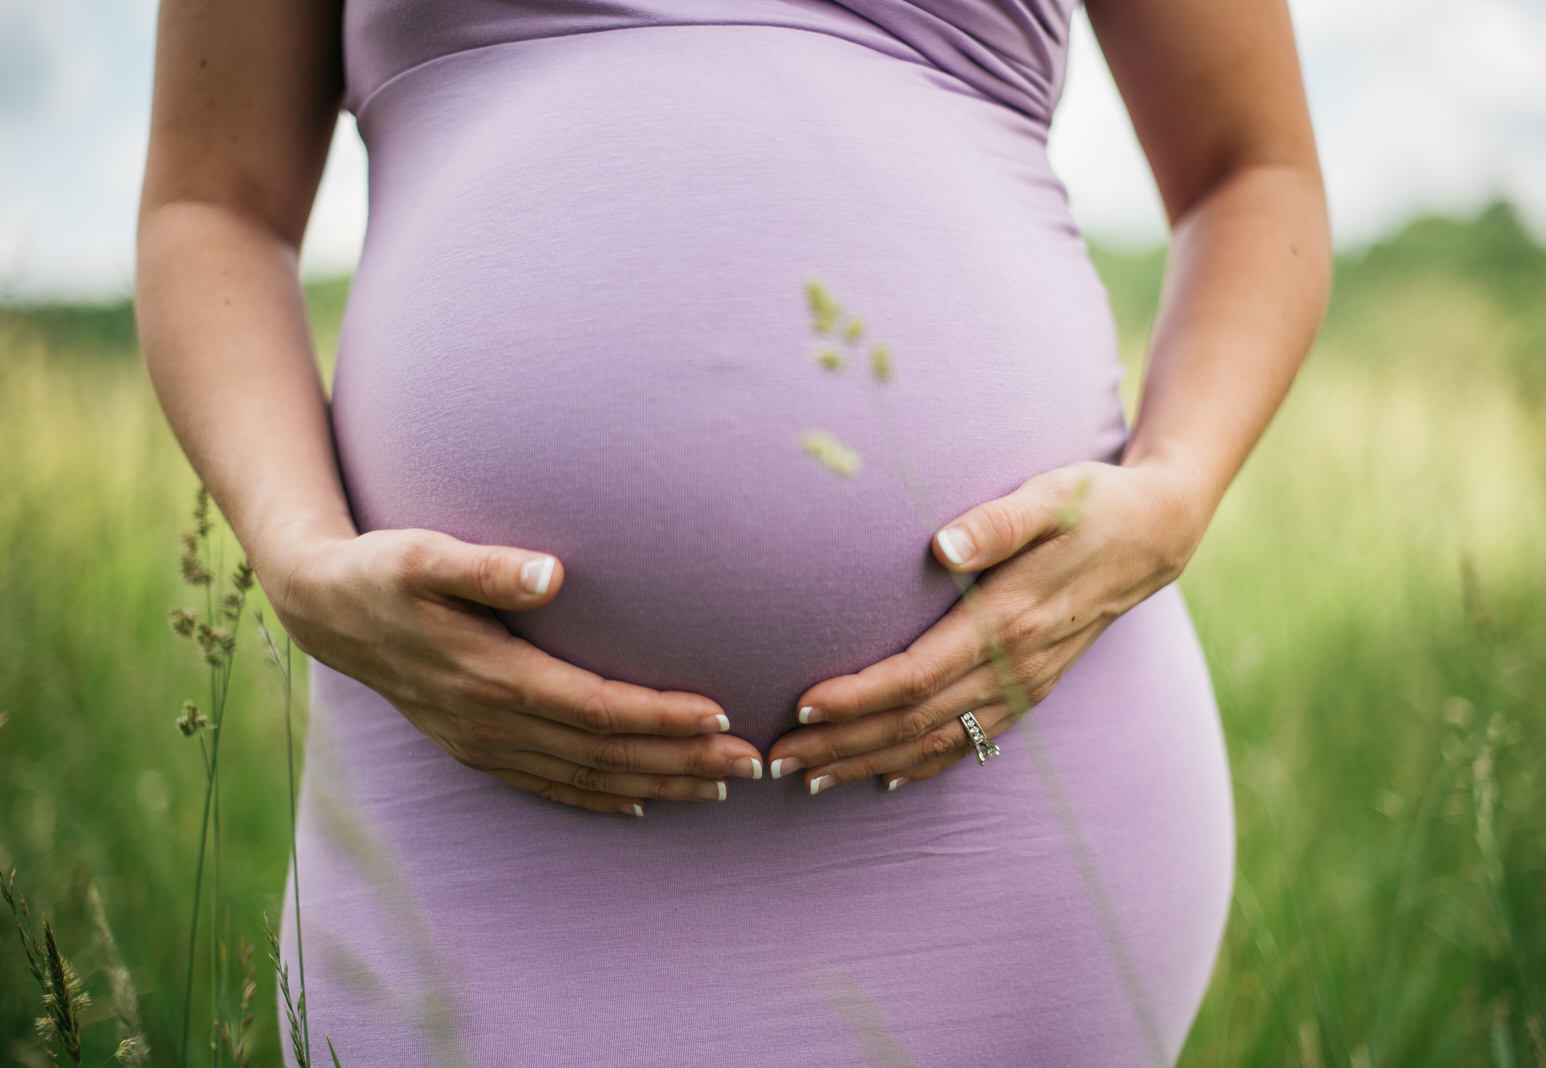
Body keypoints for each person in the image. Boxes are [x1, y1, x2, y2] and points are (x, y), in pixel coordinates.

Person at [135, 0, 1329, 1063]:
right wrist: (294, 555)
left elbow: (1249, 173)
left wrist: (1171, 495)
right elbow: (212, 202)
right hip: (478, 788)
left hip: (1002, 767)